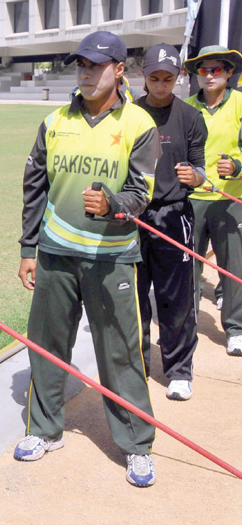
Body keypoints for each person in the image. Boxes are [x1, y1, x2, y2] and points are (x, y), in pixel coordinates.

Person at [15, 31, 161, 487]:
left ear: (119, 70)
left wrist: (115, 206)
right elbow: (35, 186)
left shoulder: (139, 124)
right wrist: (27, 248)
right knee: (46, 346)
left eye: (95, 65)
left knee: (120, 353)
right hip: (56, 253)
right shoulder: (55, 120)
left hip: (112, 257)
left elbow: (142, 194)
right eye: (80, 64)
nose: (84, 71)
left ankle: (136, 444)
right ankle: (44, 429)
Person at [134, 43, 207, 401]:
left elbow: (200, 167)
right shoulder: (129, 115)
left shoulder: (191, 117)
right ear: (143, 76)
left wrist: (195, 176)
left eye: (169, 78)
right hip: (133, 217)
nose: (161, 85)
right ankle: (138, 366)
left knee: (176, 299)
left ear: (179, 77)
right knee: (134, 298)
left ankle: (178, 370)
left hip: (175, 215)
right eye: (154, 78)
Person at [184, 45, 242, 357]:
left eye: (216, 69)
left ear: (229, 72)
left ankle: (235, 328)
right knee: (187, 268)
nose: (208, 75)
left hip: (230, 199)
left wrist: (237, 166)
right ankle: (187, 326)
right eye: (203, 70)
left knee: (233, 268)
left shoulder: (240, 104)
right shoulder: (187, 107)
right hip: (192, 200)